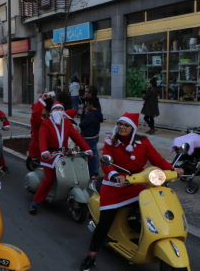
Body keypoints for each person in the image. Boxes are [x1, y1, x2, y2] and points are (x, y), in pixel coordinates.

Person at [79, 112, 184, 271]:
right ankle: (91, 256)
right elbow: (106, 161)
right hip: (114, 186)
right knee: (105, 222)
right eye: (120, 124)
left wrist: (172, 169)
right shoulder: (111, 141)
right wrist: (114, 175)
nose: (122, 127)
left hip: (136, 184)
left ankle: (140, 236)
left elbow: (157, 159)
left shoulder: (144, 143)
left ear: (133, 128)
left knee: (151, 207)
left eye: (126, 125)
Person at [29, 102, 92, 215]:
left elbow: (77, 137)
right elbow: (42, 138)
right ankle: (35, 202)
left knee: (73, 171)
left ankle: (66, 193)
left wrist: (87, 149)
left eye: (60, 109)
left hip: (64, 154)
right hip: (50, 155)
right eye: (56, 109)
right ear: (52, 111)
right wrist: (44, 151)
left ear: (63, 111)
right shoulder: (46, 123)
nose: (58, 111)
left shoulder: (67, 123)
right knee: (49, 179)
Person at [79, 97, 103, 178]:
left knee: (89, 155)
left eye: (87, 104)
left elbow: (82, 124)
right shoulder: (98, 113)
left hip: (88, 138)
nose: (86, 106)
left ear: (91, 105)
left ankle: (91, 173)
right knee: (94, 153)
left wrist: (85, 114)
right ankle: (95, 171)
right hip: (95, 136)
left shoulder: (90, 115)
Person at [28, 92, 54, 162]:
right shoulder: (37, 118)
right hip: (38, 150)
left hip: (50, 149)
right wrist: (41, 101)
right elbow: (35, 113)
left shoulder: (51, 117)